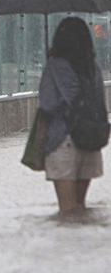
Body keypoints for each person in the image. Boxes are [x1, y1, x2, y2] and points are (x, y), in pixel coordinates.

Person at [38, 17, 106, 213]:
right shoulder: (92, 67)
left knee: (67, 213)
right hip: (90, 140)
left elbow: (48, 105)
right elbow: (100, 102)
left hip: (63, 141)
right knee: (80, 209)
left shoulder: (55, 65)